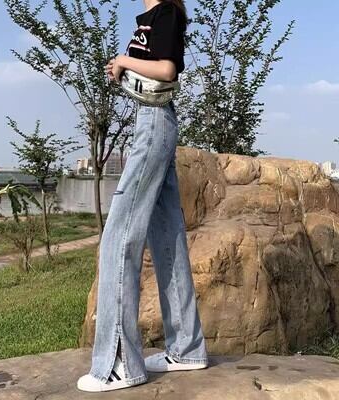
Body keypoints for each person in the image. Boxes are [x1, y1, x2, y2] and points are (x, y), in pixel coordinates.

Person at [77, 0, 208, 392]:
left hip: (154, 126)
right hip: (152, 121)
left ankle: (119, 363)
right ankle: (186, 348)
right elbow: (153, 71)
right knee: (167, 237)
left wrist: (123, 60)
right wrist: (123, 69)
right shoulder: (153, 18)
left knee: (118, 237)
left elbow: (167, 70)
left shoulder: (165, 11)